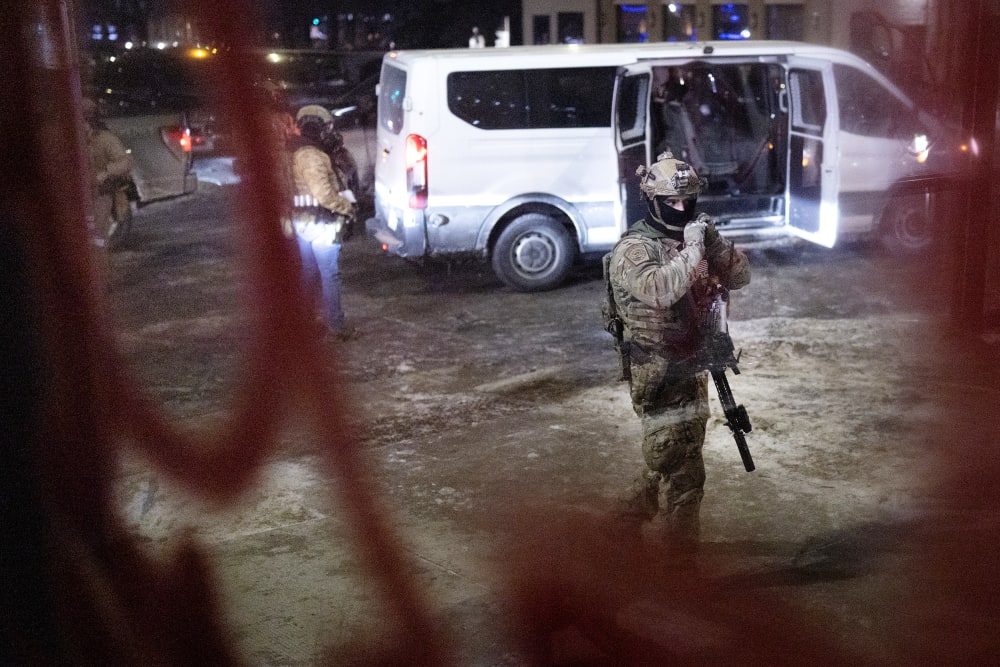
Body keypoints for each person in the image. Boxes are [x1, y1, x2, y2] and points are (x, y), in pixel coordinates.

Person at [603, 151, 750, 555]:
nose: (682, 209)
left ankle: (619, 527)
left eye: (689, 202)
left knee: (669, 456)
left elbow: (740, 276)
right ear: (652, 201)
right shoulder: (635, 249)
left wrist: (713, 242)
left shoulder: (693, 238)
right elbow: (662, 289)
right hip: (660, 373)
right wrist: (692, 248)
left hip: (694, 365)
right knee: (686, 477)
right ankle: (681, 572)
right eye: (672, 203)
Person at [289, 105, 356, 338]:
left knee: (309, 271)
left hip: (304, 221)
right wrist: (347, 209)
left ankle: (303, 320)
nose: (331, 131)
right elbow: (324, 195)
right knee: (329, 274)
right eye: (327, 127)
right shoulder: (311, 155)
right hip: (321, 223)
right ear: (316, 126)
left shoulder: (296, 150)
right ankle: (336, 325)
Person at [82, 96, 133, 251]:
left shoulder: (106, 140)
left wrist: (105, 173)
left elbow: (124, 162)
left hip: (100, 193)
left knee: (97, 236)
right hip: (79, 196)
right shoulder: (71, 139)